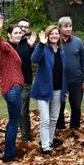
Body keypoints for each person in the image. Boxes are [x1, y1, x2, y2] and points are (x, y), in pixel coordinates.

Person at [31, 25, 67, 155]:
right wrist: (41, 43)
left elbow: (63, 73)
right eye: (51, 34)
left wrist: (65, 90)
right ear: (47, 35)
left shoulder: (61, 52)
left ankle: (49, 142)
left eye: (56, 34)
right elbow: (34, 59)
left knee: (53, 119)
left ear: (59, 36)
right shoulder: (43, 50)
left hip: (58, 90)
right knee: (45, 119)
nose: (54, 36)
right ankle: (45, 147)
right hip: (43, 91)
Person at [0, 17, 25, 162]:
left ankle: (9, 152)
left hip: (13, 88)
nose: (19, 35)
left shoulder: (15, 48)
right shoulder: (7, 46)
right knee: (14, 121)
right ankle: (9, 155)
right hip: (13, 88)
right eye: (16, 33)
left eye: (20, 33)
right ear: (9, 35)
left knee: (12, 120)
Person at [56, 17, 84, 130]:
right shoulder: (55, 42)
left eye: (70, 26)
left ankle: (74, 131)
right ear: (60, 28)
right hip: (60, 81)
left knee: (76, 107)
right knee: (59, 107)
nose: (68, 29)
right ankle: (60, 129)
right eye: (65, 26)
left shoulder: (77, 42)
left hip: (76, 80)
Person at [17, 18, 36, 142]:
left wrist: (32, 46)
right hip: (12, 83)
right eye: (21, 26)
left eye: (26, 27)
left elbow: (37, 58)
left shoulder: (29, 44)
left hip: (25, 82)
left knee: (23, 111)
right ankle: (14, 135)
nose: (23, 29)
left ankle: (26, 138)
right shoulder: (11, 43)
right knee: (15, 111)